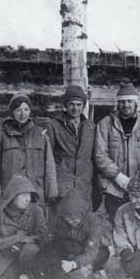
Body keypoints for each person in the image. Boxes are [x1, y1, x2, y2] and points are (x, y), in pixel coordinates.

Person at [94, 82, 140, 222]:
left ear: (136, 103)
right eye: (122, 102)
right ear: (118, 104)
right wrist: (119, 177)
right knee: (116, 223)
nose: (126, 105)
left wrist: (139, 177)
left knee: (139, 224)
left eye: (130, 101)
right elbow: (100, 155)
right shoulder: (105, 124)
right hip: (114, 187)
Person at [0, 93, 58, 205]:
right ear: (12, 112)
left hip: (36, 195)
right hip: (10, 196)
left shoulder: (40, 135)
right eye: (18, 110)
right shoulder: (1, 136)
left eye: (26, 109)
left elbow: (49, 165)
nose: (22, 114)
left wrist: (51, 192)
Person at [0, 175, 49, 279]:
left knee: (31, 249)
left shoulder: (36, 211)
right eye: (24, 195)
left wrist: (27, 241)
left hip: (27, 256)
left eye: (29, 195)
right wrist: (18, 238)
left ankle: (31, 275)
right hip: (5, 258)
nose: (28, 199)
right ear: (13, 196)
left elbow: (43, 235)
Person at [45, 85, 96, 218]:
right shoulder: (54, 126)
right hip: (63, 185)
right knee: (61, 223)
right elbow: (47, 156)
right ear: (65, 105)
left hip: (83, 186)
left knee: (83, 225)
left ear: (84, 106)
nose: (75, 108)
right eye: (71, 104)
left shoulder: (91, 127)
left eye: (79, 104)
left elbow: (94, 157)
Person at [47, 194, 110, 279]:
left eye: (76, 220)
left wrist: (74, 264)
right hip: (72, 252)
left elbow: (91, 252)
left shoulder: (94, 222)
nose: (72, 223)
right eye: (69, 219)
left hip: (94, 253)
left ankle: (92, 277)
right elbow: (54, 242)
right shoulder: (60, 220)